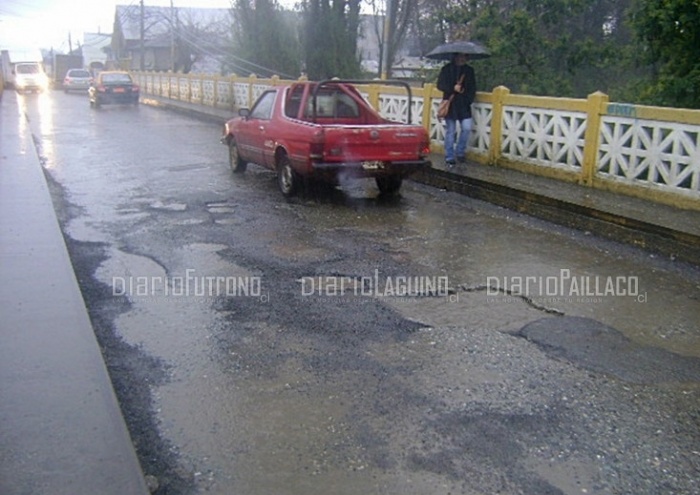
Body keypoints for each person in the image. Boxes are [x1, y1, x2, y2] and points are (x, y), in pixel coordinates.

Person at [437, 52, 477, 166]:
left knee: (467, 128)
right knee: (451, 131)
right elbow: (440, 85)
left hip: (464, 105)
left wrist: (467, 97)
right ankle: (449, 155)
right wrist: (452, 88)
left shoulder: (469, 71)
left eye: (465, 56)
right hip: (451, 104)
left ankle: (460, 152)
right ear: (455, 57)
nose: (462, 59)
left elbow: (472, 88)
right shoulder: (446, 69)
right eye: (460, 56)